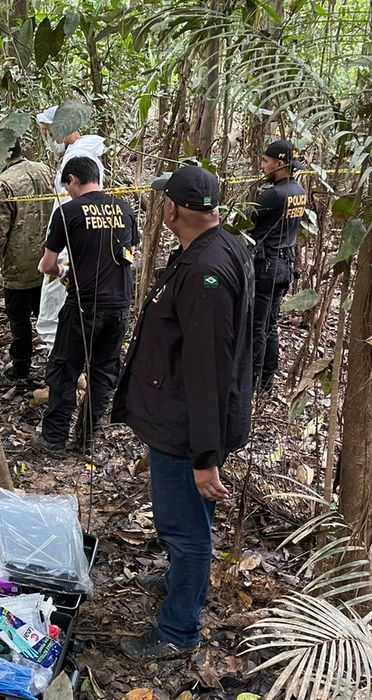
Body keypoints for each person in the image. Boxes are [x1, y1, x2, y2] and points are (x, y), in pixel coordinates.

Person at [111, 166, 253, 660]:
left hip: (187, 429)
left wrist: (205, 454)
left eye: (162, 202)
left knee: (186, 529)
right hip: (188, 419)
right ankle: (178, 579)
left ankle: (178, 630)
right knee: (193, 520)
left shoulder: (205, 272)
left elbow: (208, 367)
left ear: (172, 209)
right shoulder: (221, 248)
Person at [35, 156, 138, 454]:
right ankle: (87, 440)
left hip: (84, 306)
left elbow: (48, 264)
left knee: (64, 369)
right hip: (120, 305)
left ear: (72, 181)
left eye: (67, 186)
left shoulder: (68, 212)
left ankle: (54, 438)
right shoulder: (125, 207)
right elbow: (129, 254)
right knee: (104, 372)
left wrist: (63, 272)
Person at [33, 105, 107, 357]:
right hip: (80, 244)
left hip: (68, 248)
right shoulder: (84, 153)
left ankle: (63, 374)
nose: (47, 138)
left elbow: (71, 208)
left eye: (48, 132)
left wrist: (58, 255)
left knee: (53, 312)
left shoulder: (77, 158)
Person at [0, 139, 54, 383]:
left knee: (19, 323)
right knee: (48, 315)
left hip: (18, 267)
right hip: (50, 260)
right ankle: (55, 364)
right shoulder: (45, 171)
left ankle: (21, 367)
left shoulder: (4, 183)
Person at [249, 138, 307, 393]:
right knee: (269, 324)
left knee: (257, 327)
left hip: (268, 267)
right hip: (285, 265)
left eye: (265, 161)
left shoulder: (273, 195)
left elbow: (246, 223)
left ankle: (253, 383)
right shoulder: (298, 191)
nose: (262, 166)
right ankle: (267, 380)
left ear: (280, 163)